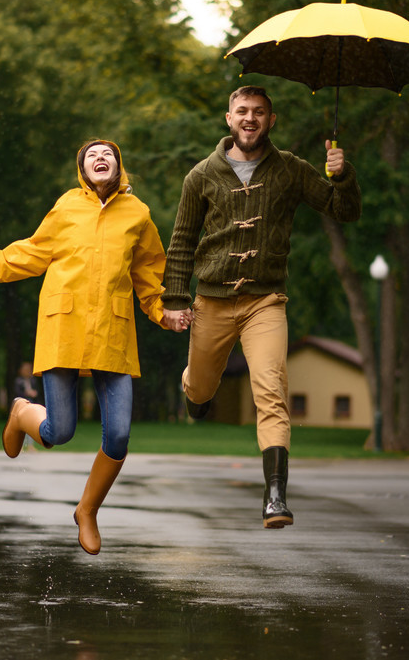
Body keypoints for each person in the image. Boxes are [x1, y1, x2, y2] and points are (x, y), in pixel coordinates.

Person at [0, 140, 188, 554]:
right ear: (82, 168)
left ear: (119, 167)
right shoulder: (66, 207)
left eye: (107, 154)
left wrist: (163, 312)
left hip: (113, 333)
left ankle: (88, 510)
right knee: (59, 431)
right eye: (91, 155)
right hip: (64, 327)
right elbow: (31, 253)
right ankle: (22, 413)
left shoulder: (139, 215)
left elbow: (149, 275)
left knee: (120, 436)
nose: (100, 158)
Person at [161, 86, 362, 529]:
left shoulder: (291, 170)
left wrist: (341, 174)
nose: (250, 119)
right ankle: (193, 387)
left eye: (259, 112)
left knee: (271, 390)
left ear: (272, 120)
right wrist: (174, 302)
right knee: (200, 389)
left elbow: (343, 211)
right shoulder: (201, 175)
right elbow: (180, 244)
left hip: (265, 302)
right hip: (211, 301)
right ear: (228, 119)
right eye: (242, 111)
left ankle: (275, 497)